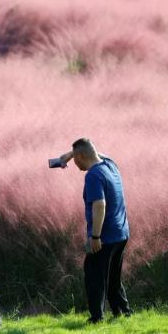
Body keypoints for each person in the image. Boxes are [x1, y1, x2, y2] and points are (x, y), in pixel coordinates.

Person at [58, 138, 133, 323]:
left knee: (94, 275)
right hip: (121, 233)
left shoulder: (93, 175)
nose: (75, 164)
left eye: (76, 160)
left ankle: (97, 318)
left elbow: (99, 205)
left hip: (105, 236)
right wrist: (68, 156)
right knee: (113, 277)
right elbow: (96, 152)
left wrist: (95, 236)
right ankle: (123, 312)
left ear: (81, 156)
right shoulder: (110, 164)